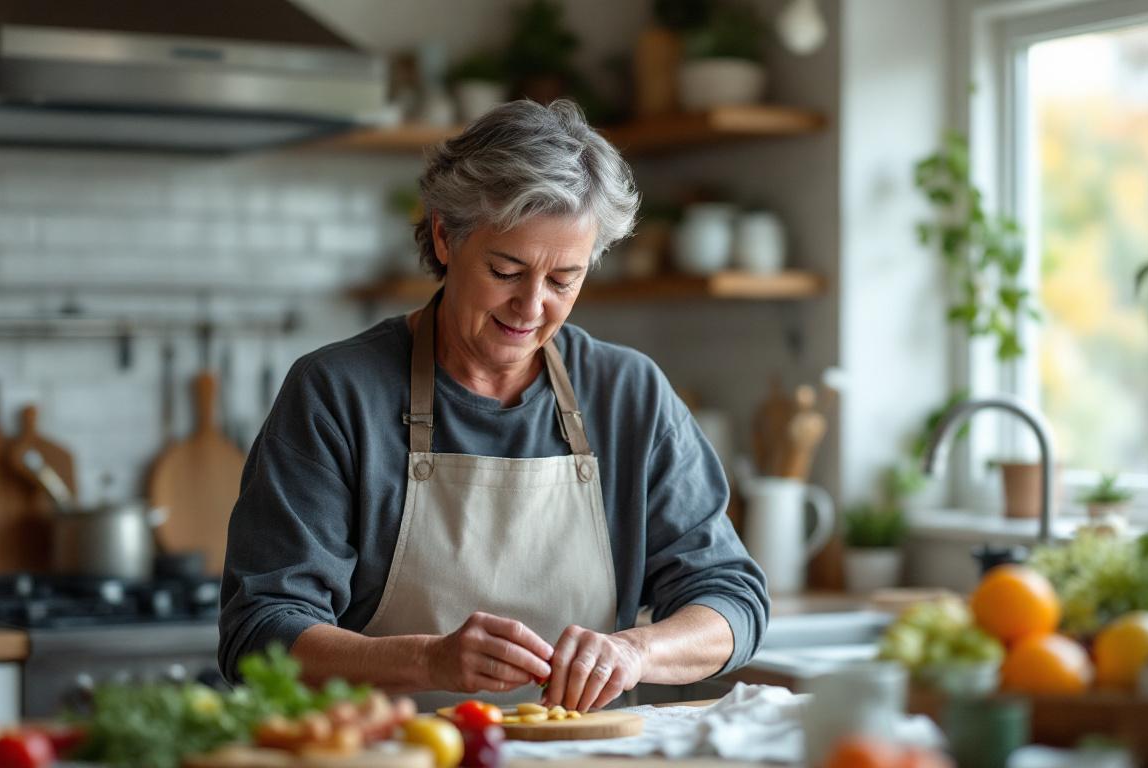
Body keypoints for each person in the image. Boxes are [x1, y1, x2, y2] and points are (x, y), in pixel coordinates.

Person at [219, 99, 769, 712]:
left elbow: (730, 598)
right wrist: (427, 660)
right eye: (506, 271)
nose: (532, 307)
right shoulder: (337, 393)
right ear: (443, 237)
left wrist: (636, 651)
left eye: (564, 280)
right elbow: (259, 635)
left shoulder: (629, 394)